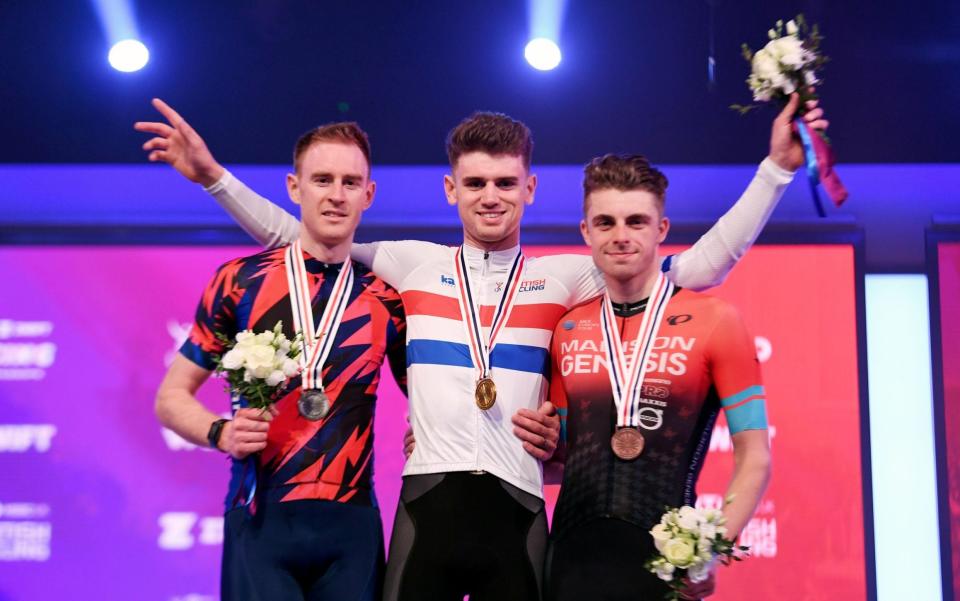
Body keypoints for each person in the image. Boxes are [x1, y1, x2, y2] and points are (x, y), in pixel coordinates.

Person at [137, 93, 824, 601]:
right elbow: (312, 235)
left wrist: (775, 171)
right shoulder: (408, 264)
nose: (490, 197)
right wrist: (213, 178)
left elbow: (695, 269)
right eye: (475, 183)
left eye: (504, 183)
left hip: (518, 513)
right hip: (422, 509)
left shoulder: (571, 273)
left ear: (529, 188)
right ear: (450, 189)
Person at [153, 121, 407, 601]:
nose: (336, 195)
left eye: (350, 183)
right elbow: (171, 397)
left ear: (368, 194)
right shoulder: (239, 281)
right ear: (295, 187)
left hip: (351, 525)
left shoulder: (386, 296)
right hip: (261, 517)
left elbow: (430, 392)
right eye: (322, 180)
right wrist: (220, 432)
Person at [545, 153, 773, 601]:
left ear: (661, 230)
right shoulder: (567, 329)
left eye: (636, 221)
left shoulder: (716, 320)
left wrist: (710, 547)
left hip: (666, 567)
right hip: (570, 561)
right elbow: (561, 463)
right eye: (605, 222)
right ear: (586, 232)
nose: (621, 236)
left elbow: (756, 457)